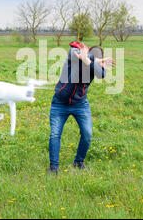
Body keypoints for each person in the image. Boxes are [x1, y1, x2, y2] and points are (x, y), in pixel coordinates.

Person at [48, 41, 115, 175]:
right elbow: (73, 52)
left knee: (87, 134)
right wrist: (91, 59)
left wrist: (91, 62)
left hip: (80, 104)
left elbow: (101, 75)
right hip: (59, 103)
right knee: (55, 135)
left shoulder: (92, 65)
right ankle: (53, 168)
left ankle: (79, 162)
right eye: (91, 57)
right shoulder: (74, 56)